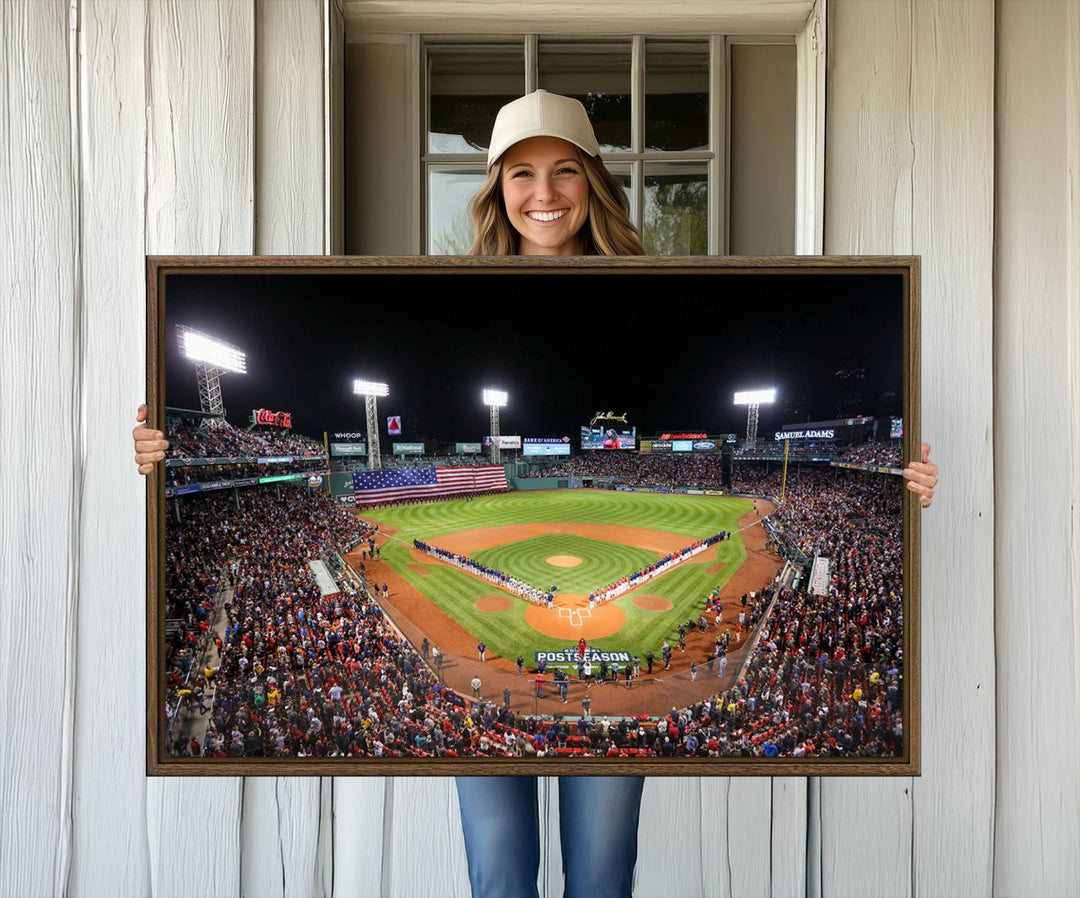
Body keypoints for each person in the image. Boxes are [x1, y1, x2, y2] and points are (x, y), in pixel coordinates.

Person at [131, 89, 940, 898]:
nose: (543, 193)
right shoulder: (455, 291)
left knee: (599, 876)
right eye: (521, 173)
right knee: (500, 876)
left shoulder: (650, 284)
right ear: (495, 188)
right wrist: (165, 450)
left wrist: (904, 481)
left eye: (564, 171)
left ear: (593, 181)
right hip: (490, 734)